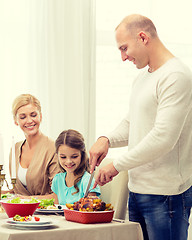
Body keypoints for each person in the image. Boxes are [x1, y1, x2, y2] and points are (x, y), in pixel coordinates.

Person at [89, 14, 192, 240]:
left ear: (143, 37)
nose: (123, 57)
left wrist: (116, 165)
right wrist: (106, 139)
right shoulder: (143, 78)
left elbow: (163, 138)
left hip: (166, 196)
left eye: (124, 48)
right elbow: (133, 122)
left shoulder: (176, 76)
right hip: (137, 192)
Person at [0, 94, 61, 197]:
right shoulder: (16, 149)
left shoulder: (53, 148)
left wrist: (26, 201)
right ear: (16, 121)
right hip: (21, 212)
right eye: (23, 117)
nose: (29, 121)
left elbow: (58, 196)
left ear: (40, 116)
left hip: (46, 212)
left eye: (33, 115)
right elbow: (19, 193)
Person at [51, 129, 100, 205]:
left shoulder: (87, 181)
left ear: (82, 155)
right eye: (63, 157)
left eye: (74, 157)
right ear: (57, 156)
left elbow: (91, 212)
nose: (68, 162)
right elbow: (56, 210)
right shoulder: (57, 180)